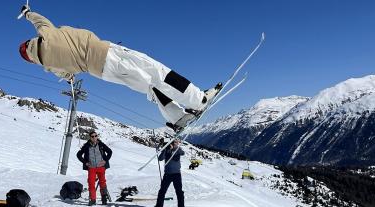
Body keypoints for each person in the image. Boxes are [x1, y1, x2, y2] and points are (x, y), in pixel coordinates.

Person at [18, 5, 222, 132]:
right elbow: (38, 20)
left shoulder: (49, 66)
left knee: (149, 83)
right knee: (156, 73)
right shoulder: (47, 33)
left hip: (102, 69)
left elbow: (68, 75)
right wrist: (27, 13)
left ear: (31, 60)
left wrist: (70, 76)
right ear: (29, 43)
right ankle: (197, 100)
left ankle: (180, 112)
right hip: (107, 51)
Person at [76, 131, 113, 206]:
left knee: (102, 182)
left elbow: (110, 152)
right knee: (91, 183)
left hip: (101, 167)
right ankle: (92, 200)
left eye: (96, 136)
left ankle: (104, 199)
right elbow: (79, 154)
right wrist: (85, 162)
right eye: (92, 136)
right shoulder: (86, 146)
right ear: (90, 137)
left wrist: (105, 161)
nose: (94, 137)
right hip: (91, 168)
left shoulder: (101, 145)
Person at [153, 139, 185, 207]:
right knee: (162, 191)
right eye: (173, 143)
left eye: (175, 143)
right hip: (167, 174)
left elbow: (182, 153)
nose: (174, 144)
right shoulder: (167, 150)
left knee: (179, 191)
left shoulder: (178, 149)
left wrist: (176, 147)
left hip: (177, 174)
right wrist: (165, 149)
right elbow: (160, 158)